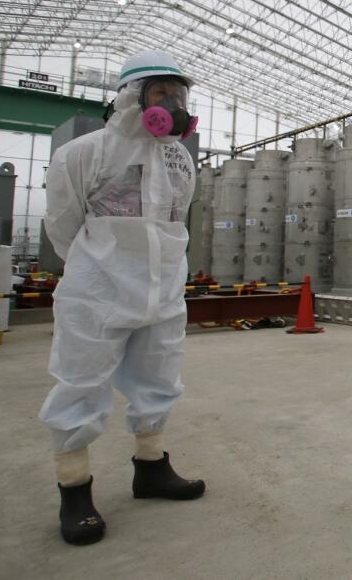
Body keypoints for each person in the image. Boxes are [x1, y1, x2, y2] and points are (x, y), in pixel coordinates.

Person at [40, 50, 205, 546]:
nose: (173, 104)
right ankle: (75, 489)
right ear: (132, 97)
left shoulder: (180, 157)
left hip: (164, 289)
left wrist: (163, 277)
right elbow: (62, 225)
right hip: (99, 292)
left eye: (180, 95)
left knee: (160, 376)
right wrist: (99, 269)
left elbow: (177, 219)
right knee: (80, 382)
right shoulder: (84, 153)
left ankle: (151, 467)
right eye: (162, 94)